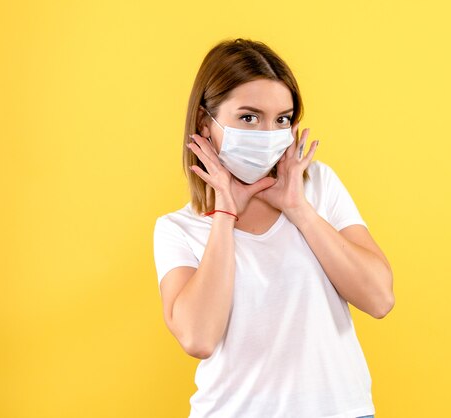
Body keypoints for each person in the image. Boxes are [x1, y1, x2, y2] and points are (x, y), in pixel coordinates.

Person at [153, 38, 393, 418]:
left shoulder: (320, 186)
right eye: (249, 117)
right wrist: (225, 216)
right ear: (205, 123)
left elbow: (379, 298)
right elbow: (198, 338)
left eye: (281, 119)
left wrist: (299, 209)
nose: (268, 133)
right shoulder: (177, 229)